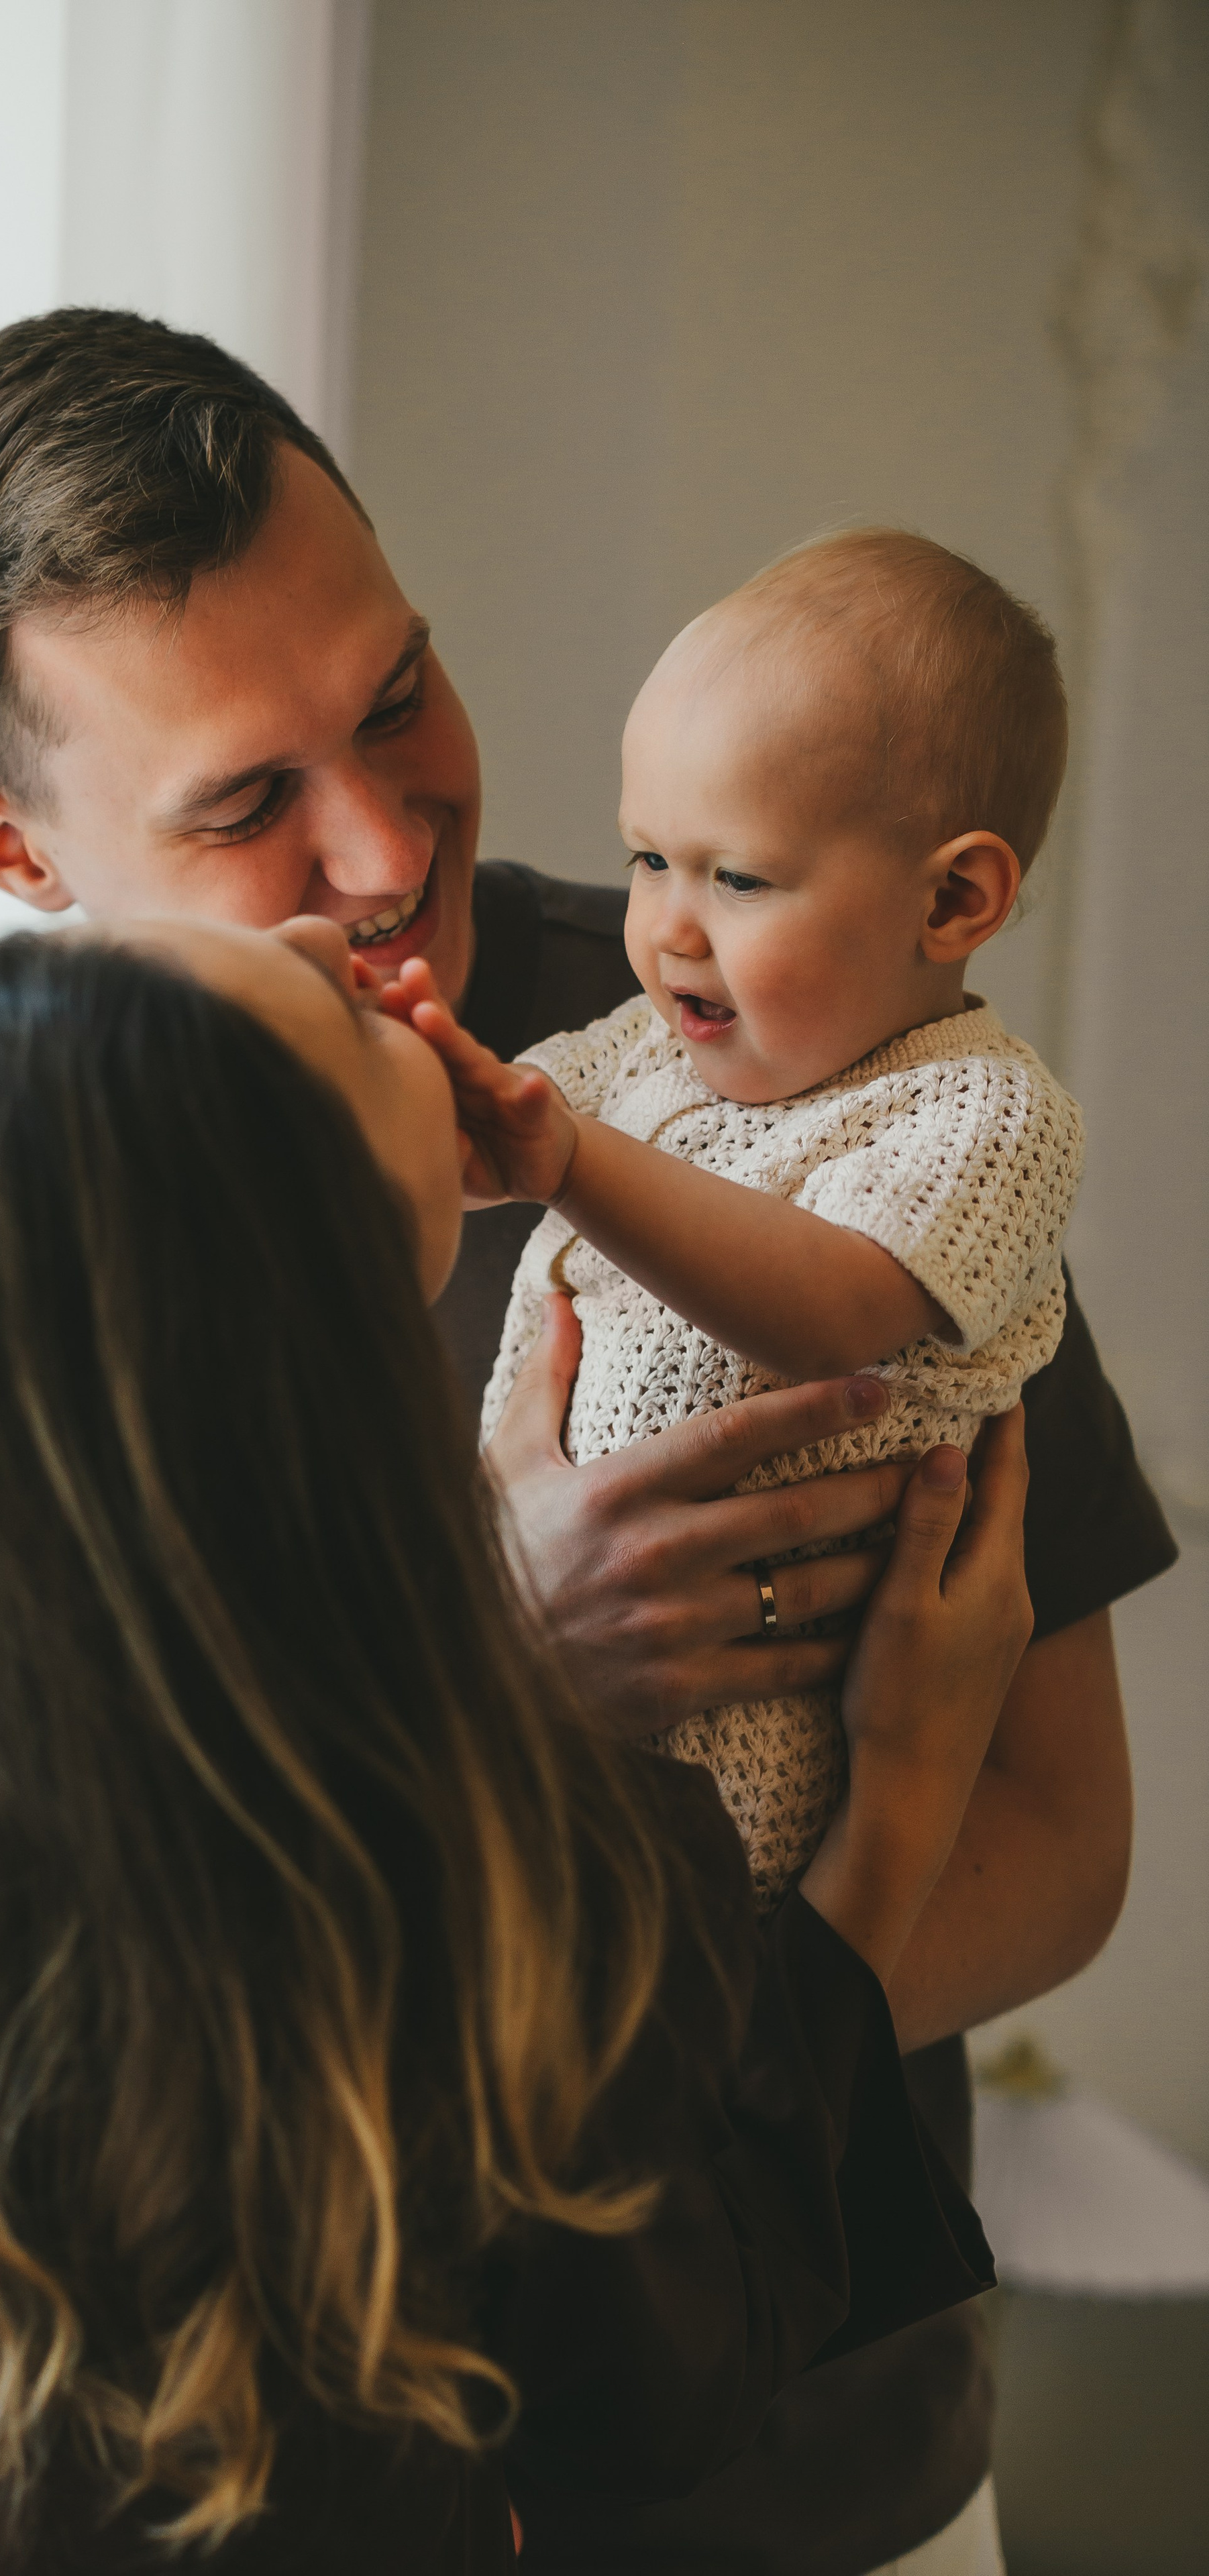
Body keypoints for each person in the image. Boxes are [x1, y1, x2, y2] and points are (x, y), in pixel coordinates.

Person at [0, 311, 1174, 2571]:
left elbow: (1055, 1829)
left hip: (821, 2463)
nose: (391, 851)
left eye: (396, 700)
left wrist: (716, 2079)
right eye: (248, 801)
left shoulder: (804, 1067)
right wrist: (492, 1698)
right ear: (6, 845)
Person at [0, 919, 1019, 2572]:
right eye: (330, 1010)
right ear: (313, 1307)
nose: (354, 953)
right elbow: (659, 2380)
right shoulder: (425, 1829)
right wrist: (892, 1831)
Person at [386, 531, 1083, 1919]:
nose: (666, 931)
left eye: (738, 879)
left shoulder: (980, 1115)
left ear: (952, 898)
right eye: (647, 859)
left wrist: (565, 1162)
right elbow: (477, 1145)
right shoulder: (648, 1049)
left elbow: (828, 1312)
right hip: (534, 1732)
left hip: (745, 1781)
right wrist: (422, 1101)